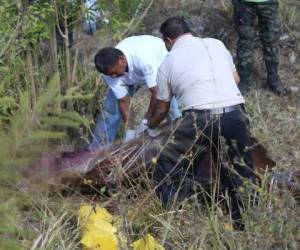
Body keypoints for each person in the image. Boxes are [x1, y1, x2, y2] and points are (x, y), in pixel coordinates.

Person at [147, 17, 257, 230]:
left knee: (169, 161)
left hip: (199, 118)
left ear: (169, 40)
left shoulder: (168, 62)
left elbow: (162, 108)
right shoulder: (216, 44)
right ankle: (246, 221)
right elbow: (235, 80)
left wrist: (150, 126)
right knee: (240, 166)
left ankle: (174, 216)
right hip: (236, 113)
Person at [88, 35, 181, 149]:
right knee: (111, 109)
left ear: (121, 60)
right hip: (132, 73)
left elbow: (157, 93)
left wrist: (146, 121)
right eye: (110, 75)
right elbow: (123, 101)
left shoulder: (143, 59)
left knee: (171, 108)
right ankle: (97, 149)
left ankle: (179, 142)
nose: (113, 76)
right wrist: (130, 130)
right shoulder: (109, 71)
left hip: (159, 65)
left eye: (114, 73)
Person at [233, 0, 288, 96]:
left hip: (269, 3)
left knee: (271, 40)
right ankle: (244, 81)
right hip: (244, 3)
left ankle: (273, 80)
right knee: (245, 41)